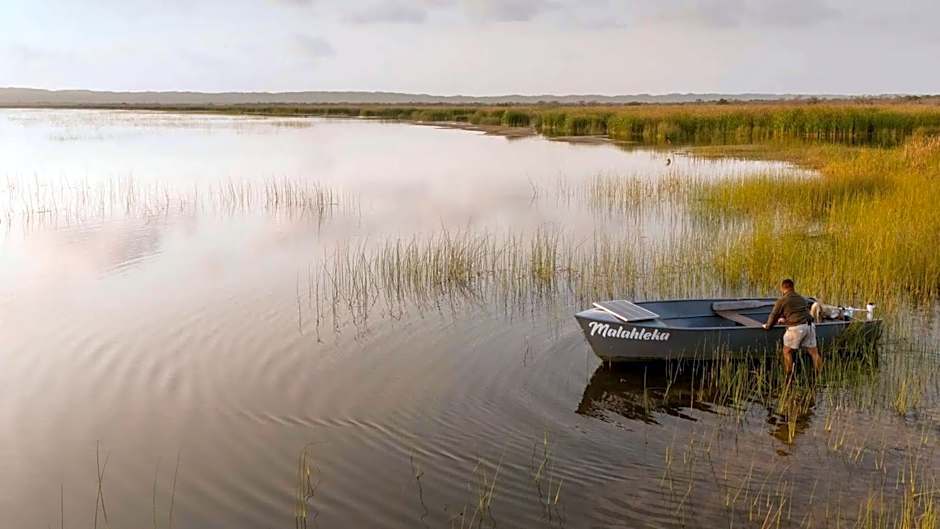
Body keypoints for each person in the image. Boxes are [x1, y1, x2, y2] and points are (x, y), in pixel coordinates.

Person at [762, 278, 822, 377]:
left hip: (797, 328)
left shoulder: (782, 300)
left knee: (787, 351)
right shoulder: (801, 298)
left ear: (782, 288)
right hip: (810, 326)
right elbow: (799, 313)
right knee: (814, 352)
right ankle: (818, 375)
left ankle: (789, 375)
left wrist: (768, 326)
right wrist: (785, 320)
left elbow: (774, 315)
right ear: (793, 287)